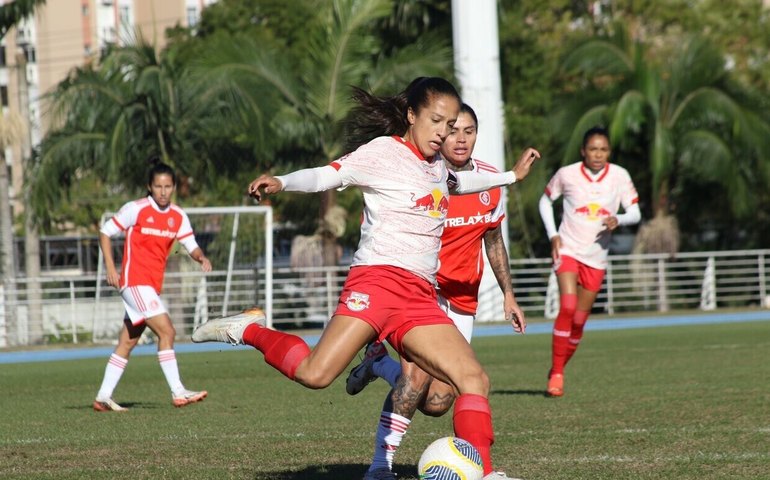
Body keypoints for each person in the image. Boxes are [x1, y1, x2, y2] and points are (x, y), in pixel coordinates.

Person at [192, 77, 539, 480]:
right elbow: (327, 176)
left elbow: (461, 182)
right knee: (315, 374)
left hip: (420, 297)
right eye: (436, 121)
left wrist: (510, 178)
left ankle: (486, 474)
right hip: (376, 284)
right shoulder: (383, 153)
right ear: (411, 115)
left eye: (450, 124)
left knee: (473, 378)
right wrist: (282, 181)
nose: (444, 132)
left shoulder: (438, 167)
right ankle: (248, 330)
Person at [345, 103, 527, 480]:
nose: (460, 139)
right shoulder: (421, 176)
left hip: (462, 300)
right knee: (415, 381)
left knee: (439, 401)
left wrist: (509, 294)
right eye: (453, 130)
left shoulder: (489, 182)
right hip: (419, 294)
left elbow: (493, 241)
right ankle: (380, 467)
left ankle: (377, 362)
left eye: (469, 131)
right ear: (439, 133)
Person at [93, 161, 212, 412]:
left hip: (148, 286)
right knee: (167, 331)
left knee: (128, 341)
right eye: (158, 186)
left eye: (167, 186)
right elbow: (105, 232)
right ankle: (179, 392)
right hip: (134, 281)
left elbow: (190, 244)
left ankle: (103, 396)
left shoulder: (178, 216)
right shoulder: (135, 209)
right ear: (149, 186)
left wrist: (201, 257)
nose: (163, 191)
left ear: (174, 187)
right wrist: (111, 268)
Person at [538, 126, 641, 397]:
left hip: (597, 258)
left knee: (579, 323)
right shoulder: (567, 174)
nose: (598, 154)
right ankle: (557, 375)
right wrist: (553, 235)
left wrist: (619, 219)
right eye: (593, 149)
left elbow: (635, 212)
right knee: (568, 306)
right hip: (568, 250)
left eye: (603, 149)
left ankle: (557, 367)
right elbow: (545, 202)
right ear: (584, 151)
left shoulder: (619, 176)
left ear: (609, 151)